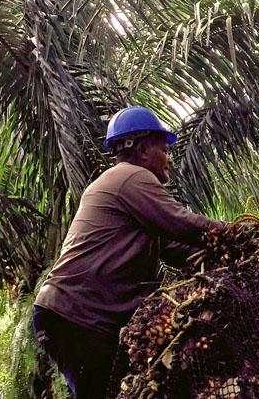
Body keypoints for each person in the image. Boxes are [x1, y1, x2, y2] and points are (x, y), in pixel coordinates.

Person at [33, 106, 223, 398]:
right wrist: (236, 234)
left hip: (77, 318)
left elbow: (175, 248)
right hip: (78, 316)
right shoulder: (130, 177)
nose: (169, 159)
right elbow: (184, 223)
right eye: (164, 149)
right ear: (144, 150)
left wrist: (217, 257)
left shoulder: (128, 195)